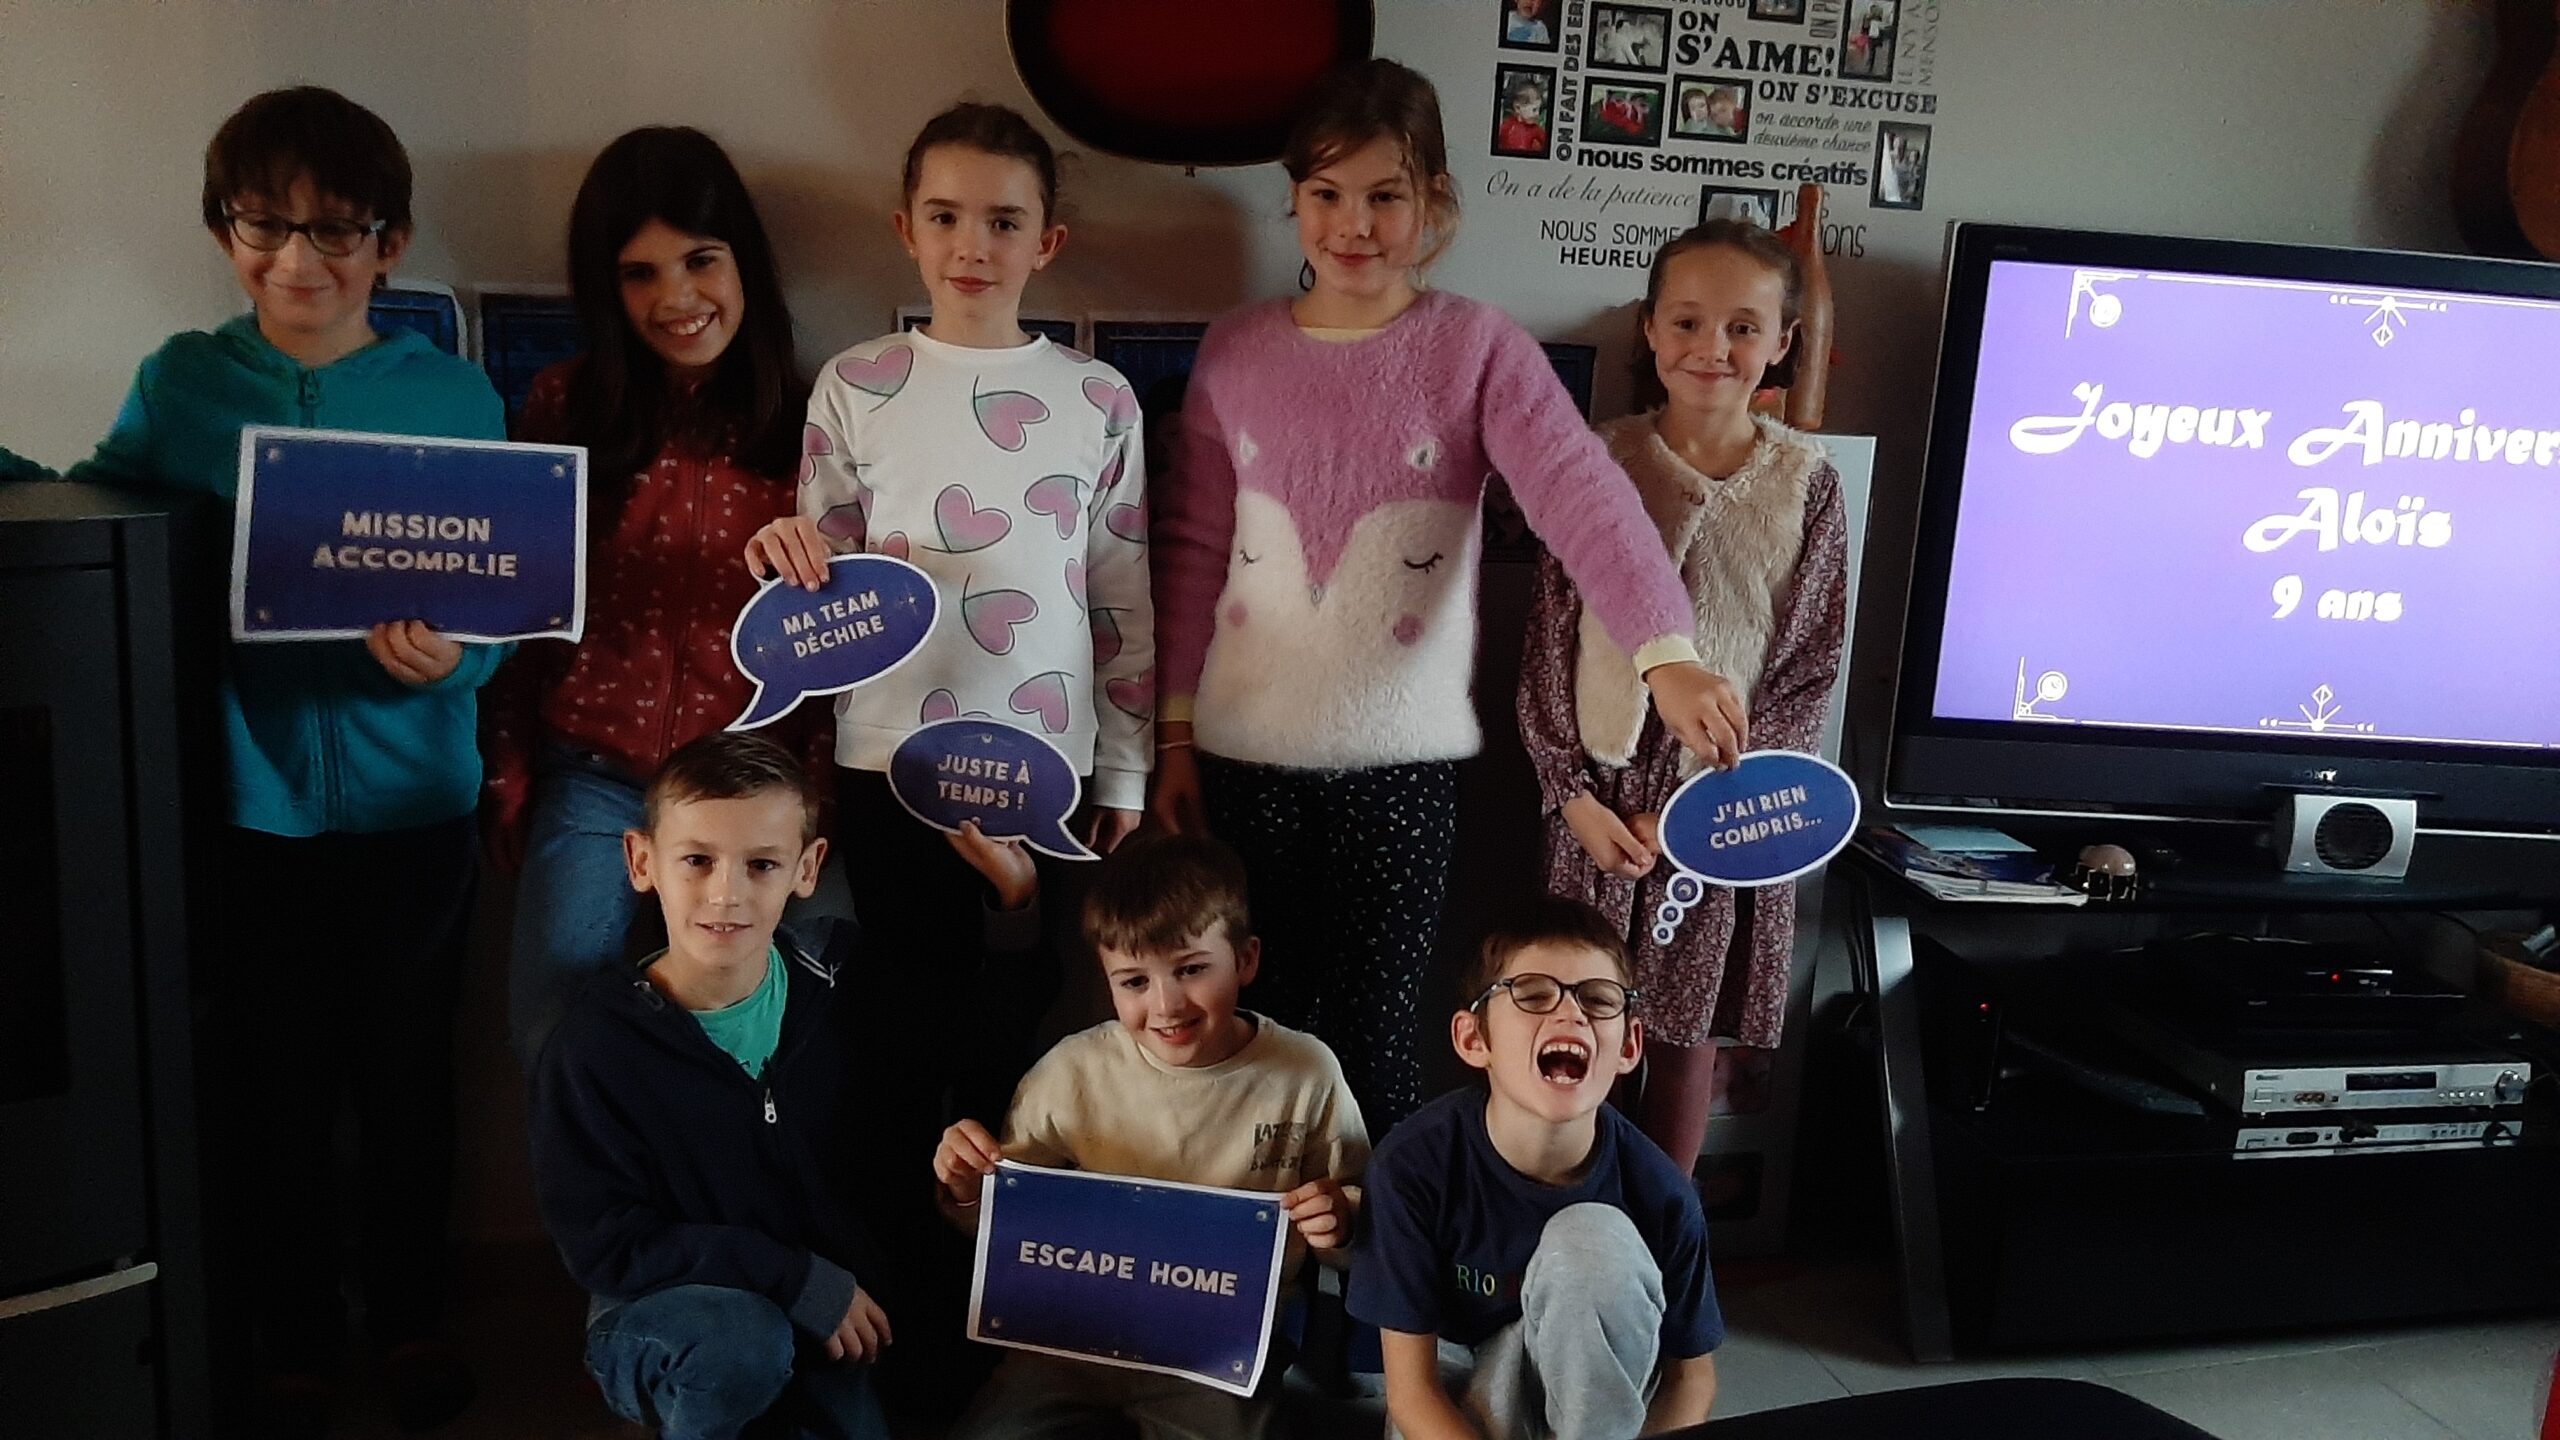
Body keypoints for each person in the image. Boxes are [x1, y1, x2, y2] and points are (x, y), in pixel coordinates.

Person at [0, 85, 503, 1436]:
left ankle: (409, 1321)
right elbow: (108, 510)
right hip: (250, 805)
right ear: (224, 230)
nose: (298, 260)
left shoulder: (453, 395)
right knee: (271, 1088)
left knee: (406, 1078)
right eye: (264, 225)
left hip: (418, 807)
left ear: (389, 243)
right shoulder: (184, 381)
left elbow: (506, 594)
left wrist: (457, 664)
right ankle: (293, 1335)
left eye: (336, 230)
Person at [1150, 58, 1745, 1134]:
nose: (1354, 225)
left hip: (1401, 770)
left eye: (1385, 194)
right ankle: (1261, 1240)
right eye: (1327, 193)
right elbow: (1191, 546)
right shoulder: (1236, 350)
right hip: (1241, 761)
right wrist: (1176, 734)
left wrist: (1666, 651)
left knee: (1374, 1038)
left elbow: (1581, 496)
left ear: (1433, 200)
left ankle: (1373, 1240)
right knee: (1251, 1032)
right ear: (1294, 198)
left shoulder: (1474, 347)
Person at [742, 97, 1153, 1410]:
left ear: (1048, 241)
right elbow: (820, 582)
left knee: (1021, 1044)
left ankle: (999, 1336)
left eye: (1004, 220)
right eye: (946, 216)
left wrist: (1126, 770)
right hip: (889, 765)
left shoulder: (1098, 396)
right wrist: (789, 554)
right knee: (898, 1050)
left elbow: (1120, 591)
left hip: (1046, 773)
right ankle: (903, 1332)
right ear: (906, 230)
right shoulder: (857, 382)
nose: (974, 244)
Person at [530, 730, 1042, 1440]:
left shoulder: (843, 982)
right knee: (738, 1347)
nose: (726, 893)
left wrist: (1015, 905)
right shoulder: (597, 1044)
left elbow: (977, 1038)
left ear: (807, 869)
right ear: (642, 862)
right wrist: (789, 1275)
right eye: (697, 861)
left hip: (827, 1314)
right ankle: (672, 1402)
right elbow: (606, 1246)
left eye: (762, 864)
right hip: (677, 1308)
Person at [483, 125, 825, 1068]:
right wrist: (507, 767)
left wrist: (818, 799)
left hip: (753, 785)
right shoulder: (564, 407)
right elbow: (523, 606)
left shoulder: (815, 422)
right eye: (640, 274)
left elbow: (839, 640)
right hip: (595, 776)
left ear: (743, 261)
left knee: (789, 1033)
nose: (676, 299)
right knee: (556, 1025)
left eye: (701, 261)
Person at [1517, 220, 1849, 1177]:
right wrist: (1570, 796)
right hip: (1599, 799)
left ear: (1782, 342)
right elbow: (1547, 641)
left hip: (1724, 806)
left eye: (1744, 327)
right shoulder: (1594, 463)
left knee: (1682, 1034)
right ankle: (1565, 1216)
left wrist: (1705, 813)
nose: (1714, 348)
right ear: (1651, 331)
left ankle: (1663, 1230)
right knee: (1575, 1020)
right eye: (1689, 322)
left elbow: (1808, 666)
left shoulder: (1806, 485)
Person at [933, 831, 1368, 1439]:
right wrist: (966, 1186)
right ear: (1106, 978)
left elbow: (1363, 1211)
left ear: (1245, 960)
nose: (1166, 1005)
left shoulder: (1305, 1072)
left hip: (1216, 1351)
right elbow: (1006, 1217)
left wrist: (1341, 1219)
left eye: (1191, 970)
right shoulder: (1071, 1070)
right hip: (1070, 1337)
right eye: (1134, 981)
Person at [1350, 898, 1723, 1439]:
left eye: (1599, 999)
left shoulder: (1661, 1192)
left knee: (1592, 1243)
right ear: (1474, 1039)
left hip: (1595, 1412)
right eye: (1532, 994)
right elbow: (1413, 1393)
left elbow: (1691, 1379)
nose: (1570, 1014)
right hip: (1459, 1389)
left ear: (1629, 1045)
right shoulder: (1411, 1167)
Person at [1496, 76, 1549, 156]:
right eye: (1534, 110)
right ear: (1518, 108)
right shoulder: (1507, 125)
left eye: (1539, 109)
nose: (1537, 114)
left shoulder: (1535, 129)